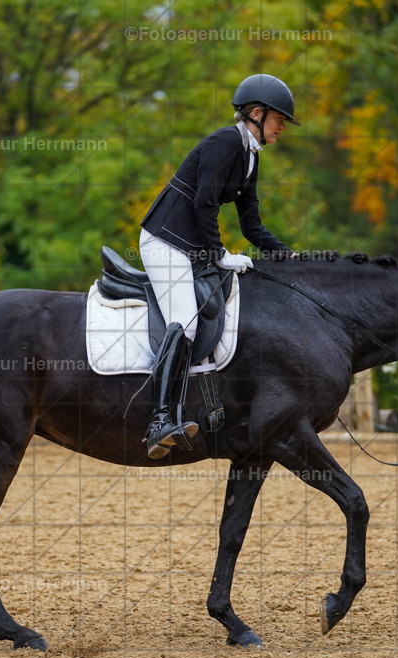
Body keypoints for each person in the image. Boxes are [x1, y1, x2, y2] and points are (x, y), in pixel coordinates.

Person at [138, 73, 300, 459]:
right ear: (257, 114)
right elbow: (204, 204)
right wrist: (219, 254)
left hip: (189, 247)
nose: (282, 129)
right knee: (186, 321)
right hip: (164, 241)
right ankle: (159, 421)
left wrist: (289, 256)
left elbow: (252, 225)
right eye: (279, 120)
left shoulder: (249, 157)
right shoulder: (226, 142)